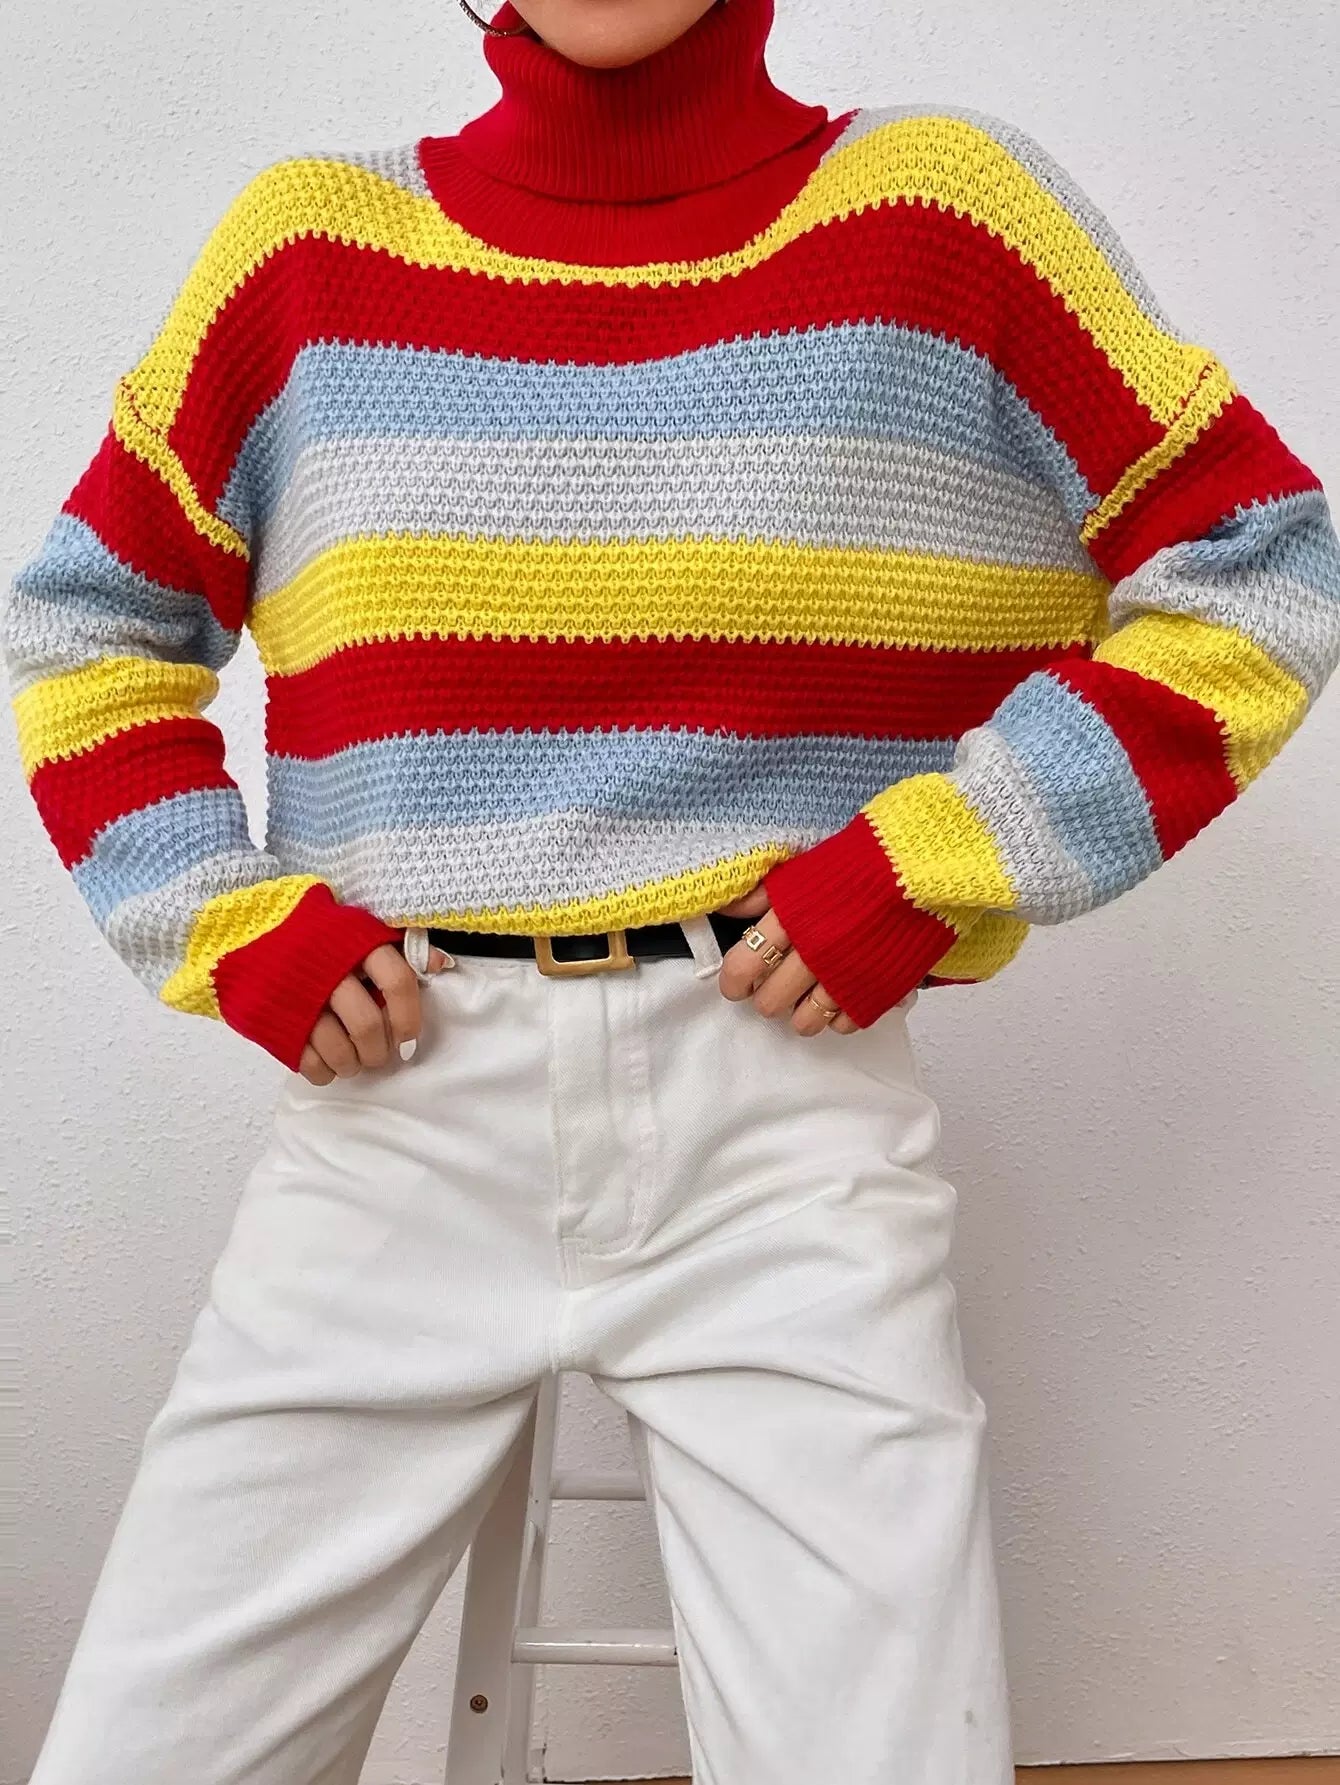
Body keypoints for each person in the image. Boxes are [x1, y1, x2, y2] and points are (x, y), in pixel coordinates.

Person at [7, 0, 1339, 1779]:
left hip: (780, 1115)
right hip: (399, 1107)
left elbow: (1257, 562)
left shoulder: (943, 214)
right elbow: (89, 625)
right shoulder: (308, 251)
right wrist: (224, 919)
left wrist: (934, 862)